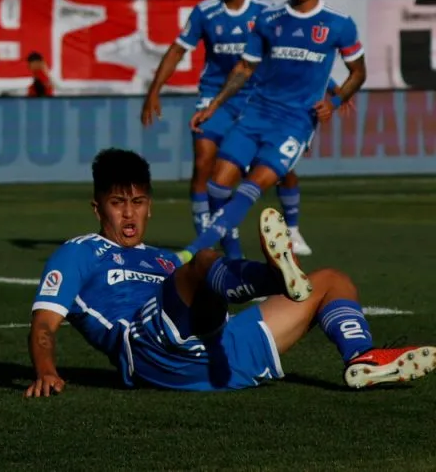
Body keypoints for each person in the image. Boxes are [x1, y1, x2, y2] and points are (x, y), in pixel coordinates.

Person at [26, 148, 434, 397]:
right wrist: (47, 371)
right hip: (148, 349)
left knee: (331, 281)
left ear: (150, 206)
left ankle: (361, 358)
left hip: (213, 355)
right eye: (117, 202)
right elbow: (44, 324)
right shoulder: (78, 253)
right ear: (98, 208)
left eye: (137, 201)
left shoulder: (164, 259)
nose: (129, 213)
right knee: (204, 260)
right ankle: (275, 277)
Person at [184, 0, 366, 259]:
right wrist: (213, 106)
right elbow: (244, 67)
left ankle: (193, 251)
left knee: (251, 187)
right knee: (217, 186)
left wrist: (335, 100)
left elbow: (358, 72)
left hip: (295, 122)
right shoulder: (269, 19)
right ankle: (234, 261)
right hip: (254, 113)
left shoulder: (339, 24)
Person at [142, 0, 312, 257]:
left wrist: (325, 92)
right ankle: (210, 241)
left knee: (283, 169)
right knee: (204, 163)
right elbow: (177, 51)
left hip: (259, 99)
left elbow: (291, 54)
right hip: (215, 97)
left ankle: (294, 228)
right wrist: (154, 90)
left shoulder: (265, 11)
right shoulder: (205, 12)